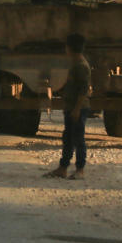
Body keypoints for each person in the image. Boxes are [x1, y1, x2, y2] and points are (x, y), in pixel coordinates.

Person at [45, 34, 91, 180]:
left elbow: (84, 90)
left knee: (78, 139)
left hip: (78, 108)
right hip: (71, 107)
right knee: (68, 138)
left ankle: (80, 169)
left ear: (70, 48)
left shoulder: (81, 66)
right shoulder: (75, 64)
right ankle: (63, 168)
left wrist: (77, 109)